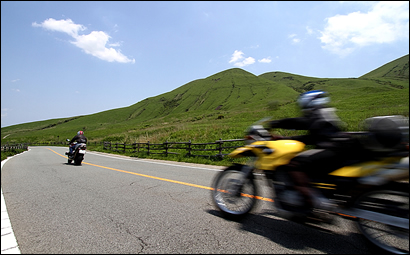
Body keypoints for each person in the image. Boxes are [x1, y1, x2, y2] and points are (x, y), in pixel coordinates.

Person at [269, 90, 362, 212]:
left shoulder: (317, 113)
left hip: (333, 148)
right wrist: (285, 139)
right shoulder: (325, 113)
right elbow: (311, 138)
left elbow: (301, 123)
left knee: (294, 164)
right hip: (340, 147)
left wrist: (276, 123)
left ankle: (315, 201)